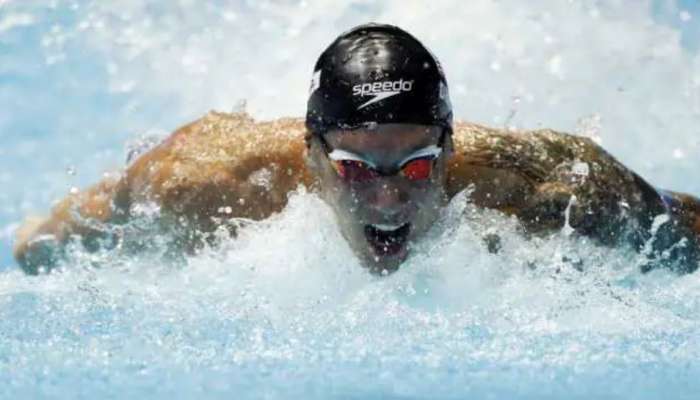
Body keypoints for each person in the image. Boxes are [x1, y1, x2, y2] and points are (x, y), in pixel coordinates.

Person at [13, 23, 700, 275]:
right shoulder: (207, 180)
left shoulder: (545, 185)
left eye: (419, 165)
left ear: (451, 149)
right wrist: (39, 247)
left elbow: (681, 227)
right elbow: (60, 236)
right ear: (310, 155)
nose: (389, 196)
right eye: (354, 170)